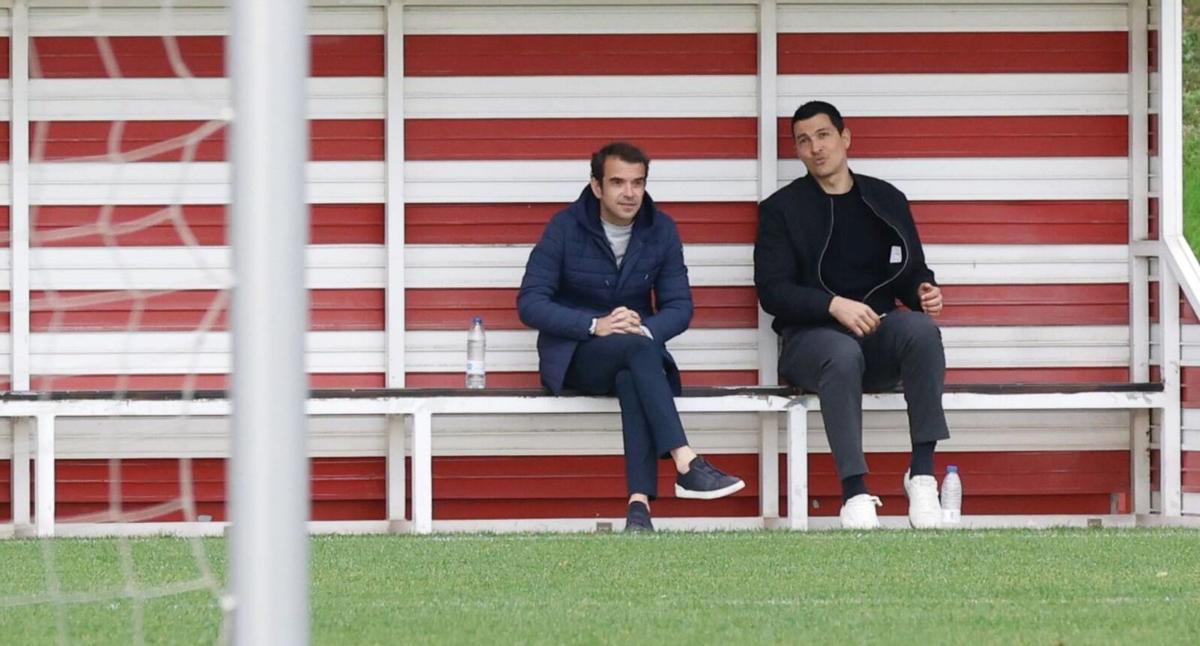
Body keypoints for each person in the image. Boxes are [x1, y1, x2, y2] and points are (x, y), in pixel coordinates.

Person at [518, 141, 745, 533]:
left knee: (633, 371)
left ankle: (639, 510)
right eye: (618, 182)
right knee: (639, 355)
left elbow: (680, 306)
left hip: (635, 355)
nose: (629, 193)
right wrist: (595, 325)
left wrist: (643, 327)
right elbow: (530, 303)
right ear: (596, 186)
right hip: (578, 356)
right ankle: (686, 461)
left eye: (637, 183)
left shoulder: (661, 229)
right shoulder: (565, 227)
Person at [754, 101, 949, 530]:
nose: (815, 148)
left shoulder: (885, 198)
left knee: (920, 329)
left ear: (845, 138)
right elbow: (773, 291)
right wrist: (832, 305)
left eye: (823, 135)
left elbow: (910, 269)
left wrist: (923, 290)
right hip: (811, 341)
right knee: (840, 352)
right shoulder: (782, 210)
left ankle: (922, 475)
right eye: (803, 141)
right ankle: (855, 493)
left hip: (877, 336)